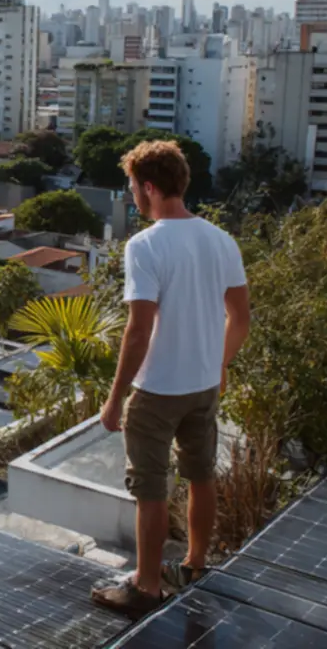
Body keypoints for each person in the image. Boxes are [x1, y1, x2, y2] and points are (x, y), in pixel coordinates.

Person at [91, 140, 250, 618]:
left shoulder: (146, 245)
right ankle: (195, 565)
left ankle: (146, 585)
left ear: (150, 187)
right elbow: (239, 317)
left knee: (151, 489)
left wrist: (115, 399)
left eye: (133, 188)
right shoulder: (221, 240)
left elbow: (138, 331)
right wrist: (218, 363)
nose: (133, 197)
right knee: (201, 476)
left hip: (157, 389)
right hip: (202, 386)